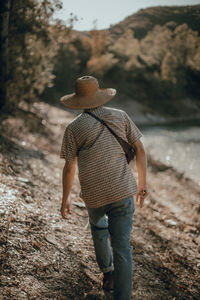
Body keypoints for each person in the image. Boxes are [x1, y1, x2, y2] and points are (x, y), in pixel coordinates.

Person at [60, 75, 148, 300]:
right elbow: (140, 150)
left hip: (94, 195)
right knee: (123, 248)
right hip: (122, 190)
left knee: (99, 229)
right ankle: (123, 297)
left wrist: (65, 199)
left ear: (78, 100)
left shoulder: (74, 128)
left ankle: (108, 273)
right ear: (100, 95)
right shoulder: (121, 116)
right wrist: (142, 185)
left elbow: (69, 167)